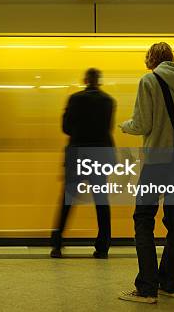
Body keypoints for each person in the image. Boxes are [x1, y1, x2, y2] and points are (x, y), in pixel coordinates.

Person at [118, 42, 174, 304]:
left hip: (156, 163)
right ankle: (171, 283)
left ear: (150, 60)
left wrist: (125, 126)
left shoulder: (148, 81)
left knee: (143, 218)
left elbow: (142, 123)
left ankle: (146, 288)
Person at [50, 68, 115, 259]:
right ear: (99, 81)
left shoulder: (75, 99)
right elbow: (107, 129)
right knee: (101, 201)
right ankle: (103, 247)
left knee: (67, 200)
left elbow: (66, 127)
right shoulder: (109, 101)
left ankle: (57, 244)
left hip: (78, 154)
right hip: (99, 156)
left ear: (86, 80)